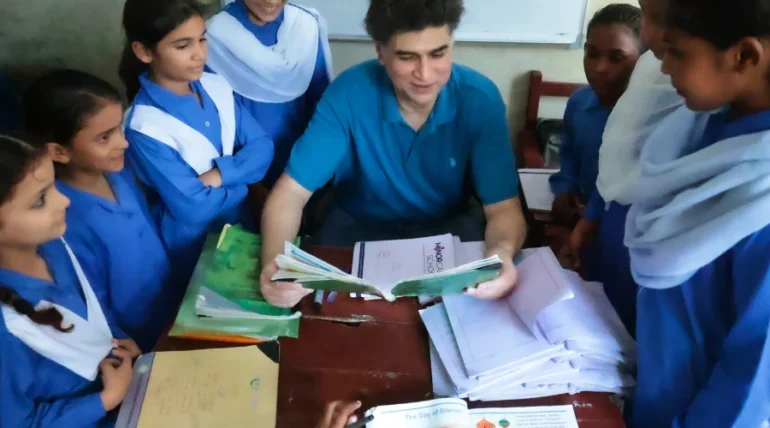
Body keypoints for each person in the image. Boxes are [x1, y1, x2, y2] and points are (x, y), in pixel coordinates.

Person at [259, 0, 527, 308]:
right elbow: (291, 192)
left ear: (451, 44)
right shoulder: (348, 93)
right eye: (407, 56)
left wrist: (502, 256)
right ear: (381, 52)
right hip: (356, 228)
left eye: (438, 53)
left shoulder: (480, 98)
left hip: (446, 229)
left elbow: (503, 208)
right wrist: (275, 263)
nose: (425, 74)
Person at [625, 0, 770, 425]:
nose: (664, 67)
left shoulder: (761, 194)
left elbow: (753, 372)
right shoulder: (699, 128)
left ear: (743, 56)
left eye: (676, 52)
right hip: (655, 389)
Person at [120, 0, 275, 282]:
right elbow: (193, 209)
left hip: (242, 229)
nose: (199, 54)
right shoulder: (143, 126)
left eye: (202, 39)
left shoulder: (215, 86)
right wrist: (243, 181)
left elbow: (264, 148)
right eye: (183, 46)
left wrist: (218, 175)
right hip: (192, 250)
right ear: (144, 51)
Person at [23, 69, 177, 353]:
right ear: (58, 152)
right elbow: (90, 303)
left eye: (119, 128)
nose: (124, 142)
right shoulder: (63, 221)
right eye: (104, 137)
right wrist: (119, 345)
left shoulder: (119, 173)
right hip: (140, 340)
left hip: (173, 311)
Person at [0, 135, 136, 427]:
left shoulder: (54, 244)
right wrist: (106, 399)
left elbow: (90, 311)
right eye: (39, 201)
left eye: (53, 188)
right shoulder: (6, 330)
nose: (64, 200)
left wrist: (117, 343)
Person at [591, 0, 684, 335]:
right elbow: (615, 163)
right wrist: (591, 217)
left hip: (663, 244)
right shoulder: (652, 70)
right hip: (619, 227)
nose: (649, 33)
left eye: (659, 17)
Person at [546, 3, 644, 280]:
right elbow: (567, 153)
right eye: (591, 54)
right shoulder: (579, 103)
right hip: (579, 217)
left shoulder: (646, 120)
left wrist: (590, 217)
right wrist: (564, 189)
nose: (600, 68)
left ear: (644, 59)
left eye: (617, 57)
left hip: (619, 231)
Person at [206, 0, 332, 188]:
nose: (271, 1)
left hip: (303, 159)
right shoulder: (214, 34)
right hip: (244, 170)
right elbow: (213, 121)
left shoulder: (305, 25)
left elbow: (320, 103)